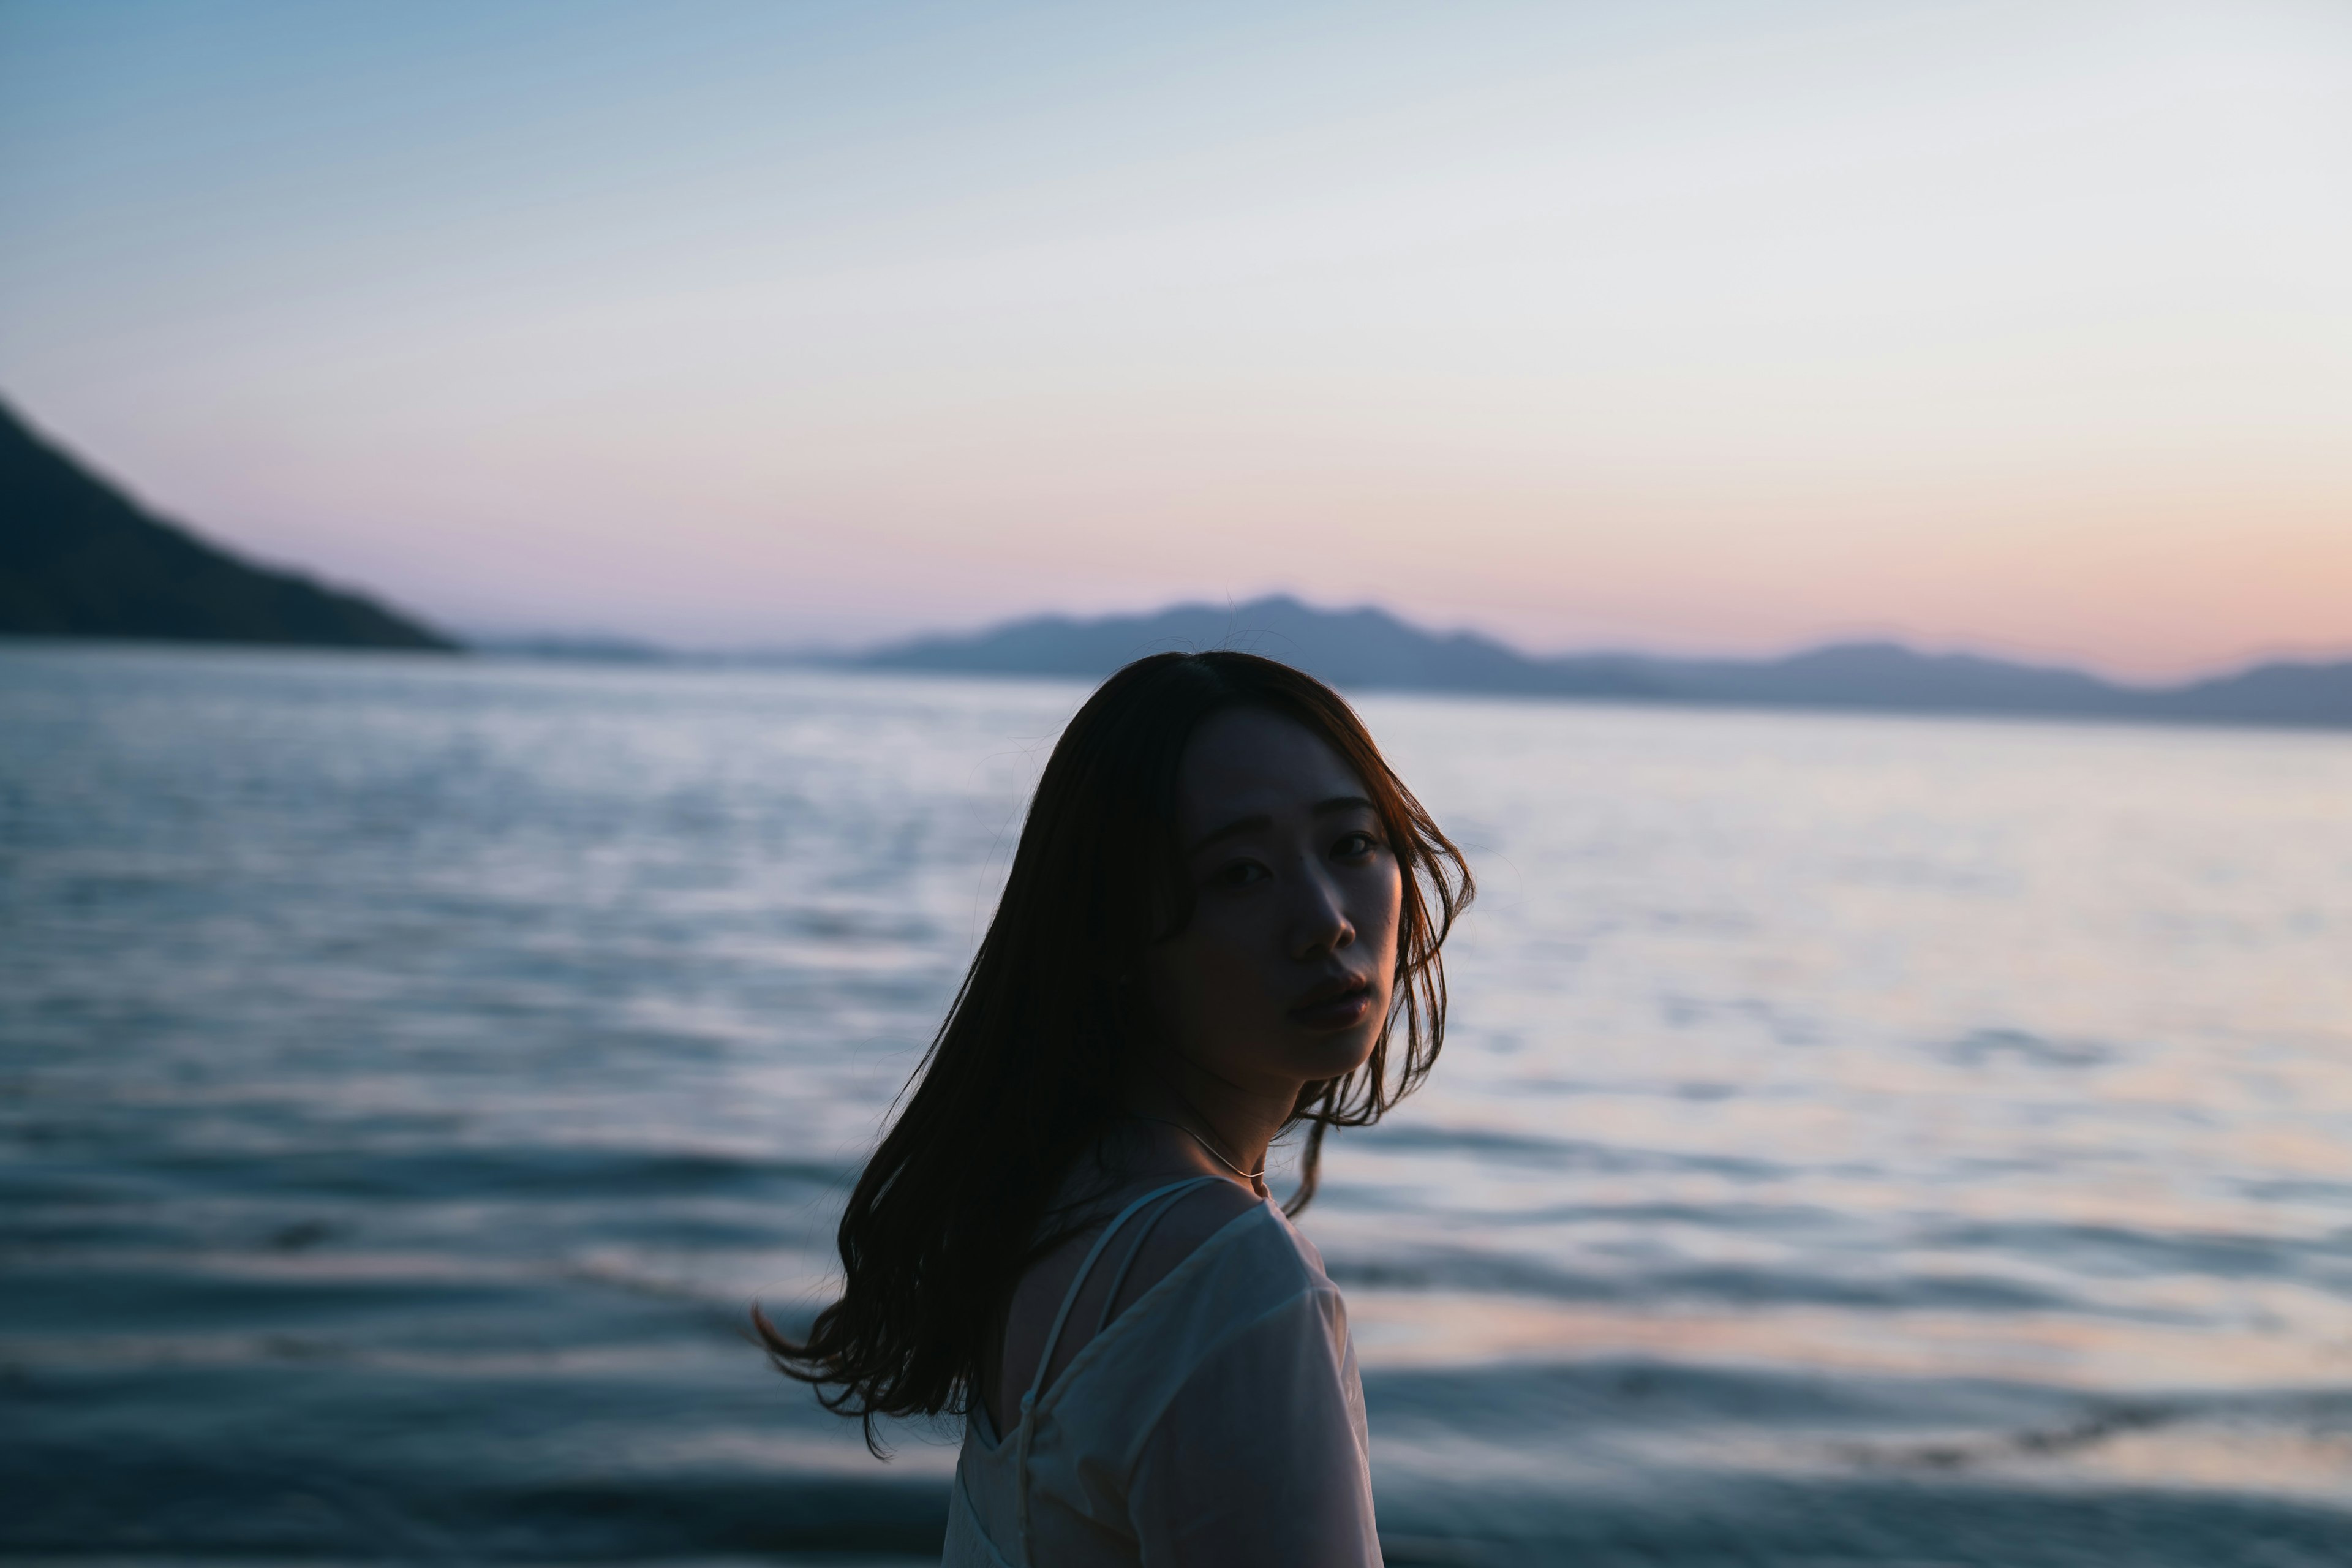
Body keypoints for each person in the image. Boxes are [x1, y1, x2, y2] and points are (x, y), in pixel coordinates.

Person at [759, 651, 1472, 1567]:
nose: (1327, 918)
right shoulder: (1231, 1281)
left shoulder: (1053, 1207)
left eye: (1351, 845)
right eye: (1241, 874)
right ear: (1114, 933)